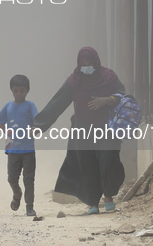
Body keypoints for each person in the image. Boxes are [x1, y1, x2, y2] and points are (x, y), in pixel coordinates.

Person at [33, 47, 126, 215]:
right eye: (83, 64)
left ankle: (108, 196)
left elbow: (122, 94)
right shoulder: (74, 81)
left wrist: (106, 100)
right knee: (87, 165)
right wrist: (39, 126)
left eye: (90, 64)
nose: (87, 67)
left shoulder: (109, 77)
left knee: (108, 159)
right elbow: (57, 103)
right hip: (83, 129)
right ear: (79, 64)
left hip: (107, 127)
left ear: (96, 63)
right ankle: (92, 203)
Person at [0, 74, 39, 217]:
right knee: (12, 178)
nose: (19, 94)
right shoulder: (8, 106)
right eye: (15, 91)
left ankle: (29, 207)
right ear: (12, 91)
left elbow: (37, 121)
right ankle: (17, 193)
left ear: (27, 91)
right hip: (13, 150)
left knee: (29, 179)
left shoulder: (30, 105)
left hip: (28, 150)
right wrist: (6, 131)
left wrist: (35, 129)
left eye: (22, 91)